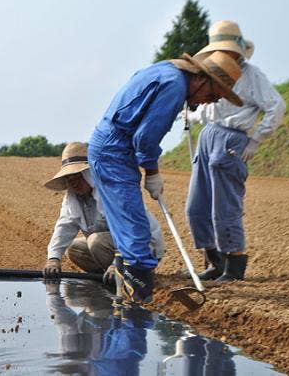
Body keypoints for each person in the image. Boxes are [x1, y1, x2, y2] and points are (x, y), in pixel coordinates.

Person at [88, 51, 243, 304]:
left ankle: (126, 290)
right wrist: (152, 172)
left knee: (128, 227)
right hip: (113, 152)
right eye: (211, 95)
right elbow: (145, 138)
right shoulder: (174, 86)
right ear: (202, 79)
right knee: (136, 231)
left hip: (112, 148)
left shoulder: (167, 72)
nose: (206, 102)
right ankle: (138, 301)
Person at [185, 20, 286, 282]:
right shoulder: (213, 73)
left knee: (225, 207)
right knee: (196, 207)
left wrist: (256, 140)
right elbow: (210, 109)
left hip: (231, 142)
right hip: (208, 138)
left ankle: (234, 266)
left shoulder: (253, 75)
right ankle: (214, 262)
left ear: (237, 50)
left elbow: (277, 106)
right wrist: (189, 114)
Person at [42, 142, 164, 281]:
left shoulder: (113, 192)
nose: (74, 183)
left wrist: (116, 264)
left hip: (143, 245)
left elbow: (130, 232)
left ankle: (133, 273)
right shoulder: (72, 199)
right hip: (111, 245)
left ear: (90, 174)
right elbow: (64, 227)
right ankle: (106, 278)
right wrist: (53, 258)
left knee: (96, 241)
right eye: (69, 179)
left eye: (78, 176)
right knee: (74, 249)